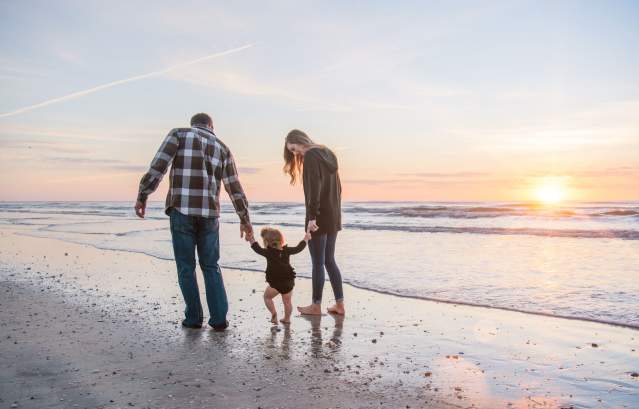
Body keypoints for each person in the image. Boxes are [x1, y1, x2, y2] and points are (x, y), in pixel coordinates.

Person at [134, 113, 253, 331]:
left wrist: (143, 194)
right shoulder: (223, 148)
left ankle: (193, 318)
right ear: (211, 126)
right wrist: (245, 219)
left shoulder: (179, 134)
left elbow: (158, 167)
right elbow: (234, 187)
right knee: (211, 266)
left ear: (194, 124)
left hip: (182, 210)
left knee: (186, 267)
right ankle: (219, 320)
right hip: (210, 215)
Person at [283, 129, 345, 315]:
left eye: (294, 149)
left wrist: (311, 218)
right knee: (329, 260)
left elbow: (313, 189)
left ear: (300, 141)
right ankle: (340, 305)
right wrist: (335, 213)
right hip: (333, 215)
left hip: (317, 217)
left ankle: (316, 305)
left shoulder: (310, 156)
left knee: (317, 262)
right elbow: (339, 189)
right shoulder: (328, 153)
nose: (296, 154)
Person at [250, 227, 311, 324]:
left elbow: (256, 248)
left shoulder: (268, 252)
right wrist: (306, 238)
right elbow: (299, 248)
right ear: (281, 239)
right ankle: (287, 319)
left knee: (267, 297)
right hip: (288, 282)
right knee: (287, 302)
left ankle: (274, 313)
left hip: (275, 283)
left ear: (266, 242)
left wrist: (251, 238)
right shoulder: (287, 250)